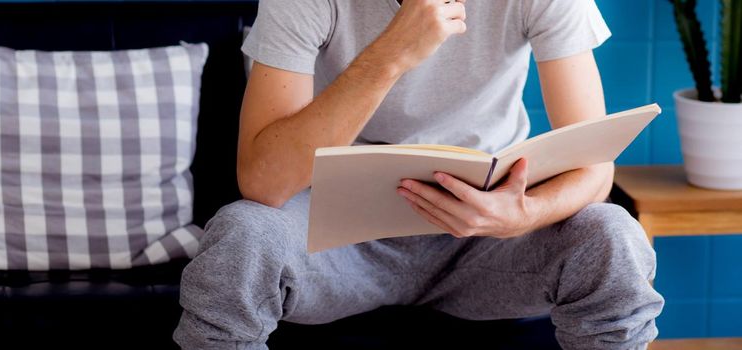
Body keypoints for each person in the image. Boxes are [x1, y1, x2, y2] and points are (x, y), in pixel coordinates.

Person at [174, 0, 664, 349]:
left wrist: (524, 214)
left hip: (485, 240)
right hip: (338, 242)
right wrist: (389, 57)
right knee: (242, 233)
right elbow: (262, 183)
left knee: (613, 232)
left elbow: (594, 168)